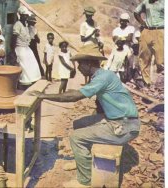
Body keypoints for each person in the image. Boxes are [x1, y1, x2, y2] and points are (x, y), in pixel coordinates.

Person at [27, 44, 140, 187]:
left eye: (80, 64)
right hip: (119, 120)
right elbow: (82, 97)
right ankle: (83, 160)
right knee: (79, 124)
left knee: (76, 138)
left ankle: (85, 181)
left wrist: (44, 95)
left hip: (125, 126)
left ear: (89, 63)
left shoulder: (102, 78)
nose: (78, 67)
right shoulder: (101, 75)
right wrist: (94, 122)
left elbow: (74, 96)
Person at [134, 0, 164, 86]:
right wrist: (143, 23)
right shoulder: (146, 2)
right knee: (144, 57)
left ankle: (160, 84)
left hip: (160, 30)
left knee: (161, 59)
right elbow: (136, 12)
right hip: (147, 31)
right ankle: (146, 82)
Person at [11, 6, 41, 90]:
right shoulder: (18, 25)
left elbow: (32, 37)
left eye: (27, 16)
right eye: (24, 15)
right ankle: (22, 86)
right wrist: (13, 51)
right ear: (21, 15)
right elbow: (13, 39)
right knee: (24, 68)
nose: (26, 17)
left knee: (32, 66)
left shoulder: (26, 25)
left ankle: (29, 85)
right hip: (20, 49)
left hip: (26, 49)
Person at [80, 6, 102, 85]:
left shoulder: (96, 24)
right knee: (85, 64)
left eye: (89, 15)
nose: (88, 17)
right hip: (87, 46)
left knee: (95, 64)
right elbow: (82, 39)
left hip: (95, 46)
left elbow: (98, 35)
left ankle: (91, 81)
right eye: (87, 15)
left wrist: (100, 41)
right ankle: (86, 81)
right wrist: (92, 33)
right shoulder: (83, 25)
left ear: (92, 15)